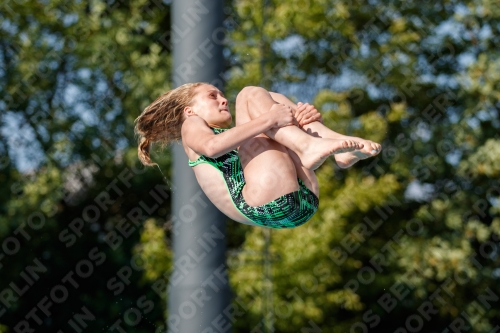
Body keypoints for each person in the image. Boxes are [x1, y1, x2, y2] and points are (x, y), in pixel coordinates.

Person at [134, 83, 382, 229]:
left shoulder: (240, 136)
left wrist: (300, 120)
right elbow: (211, 147)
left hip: (298, 199)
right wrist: (271, 119)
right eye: (212, 96)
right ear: (189, 109)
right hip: (265, 203)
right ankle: (308, 145)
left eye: (221, 95)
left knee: (273, 99)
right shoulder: (191, 124)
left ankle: (334, 147)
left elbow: (270, 130)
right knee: (249, 94)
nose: (223, 100)